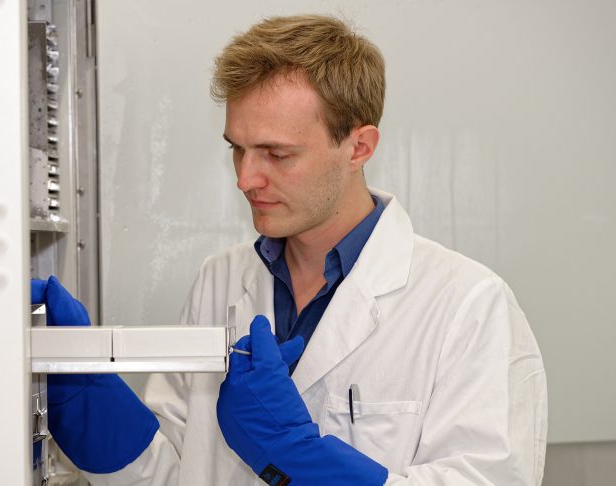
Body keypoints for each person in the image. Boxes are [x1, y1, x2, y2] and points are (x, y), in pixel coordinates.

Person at [34, 14, 547, 485]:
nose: (245, 178)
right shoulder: (220, 280)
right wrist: (92, 406)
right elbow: (177, 472)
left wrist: (298, 457)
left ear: (359, 147)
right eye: (237, 149)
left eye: (276, 154)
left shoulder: (467, 305)